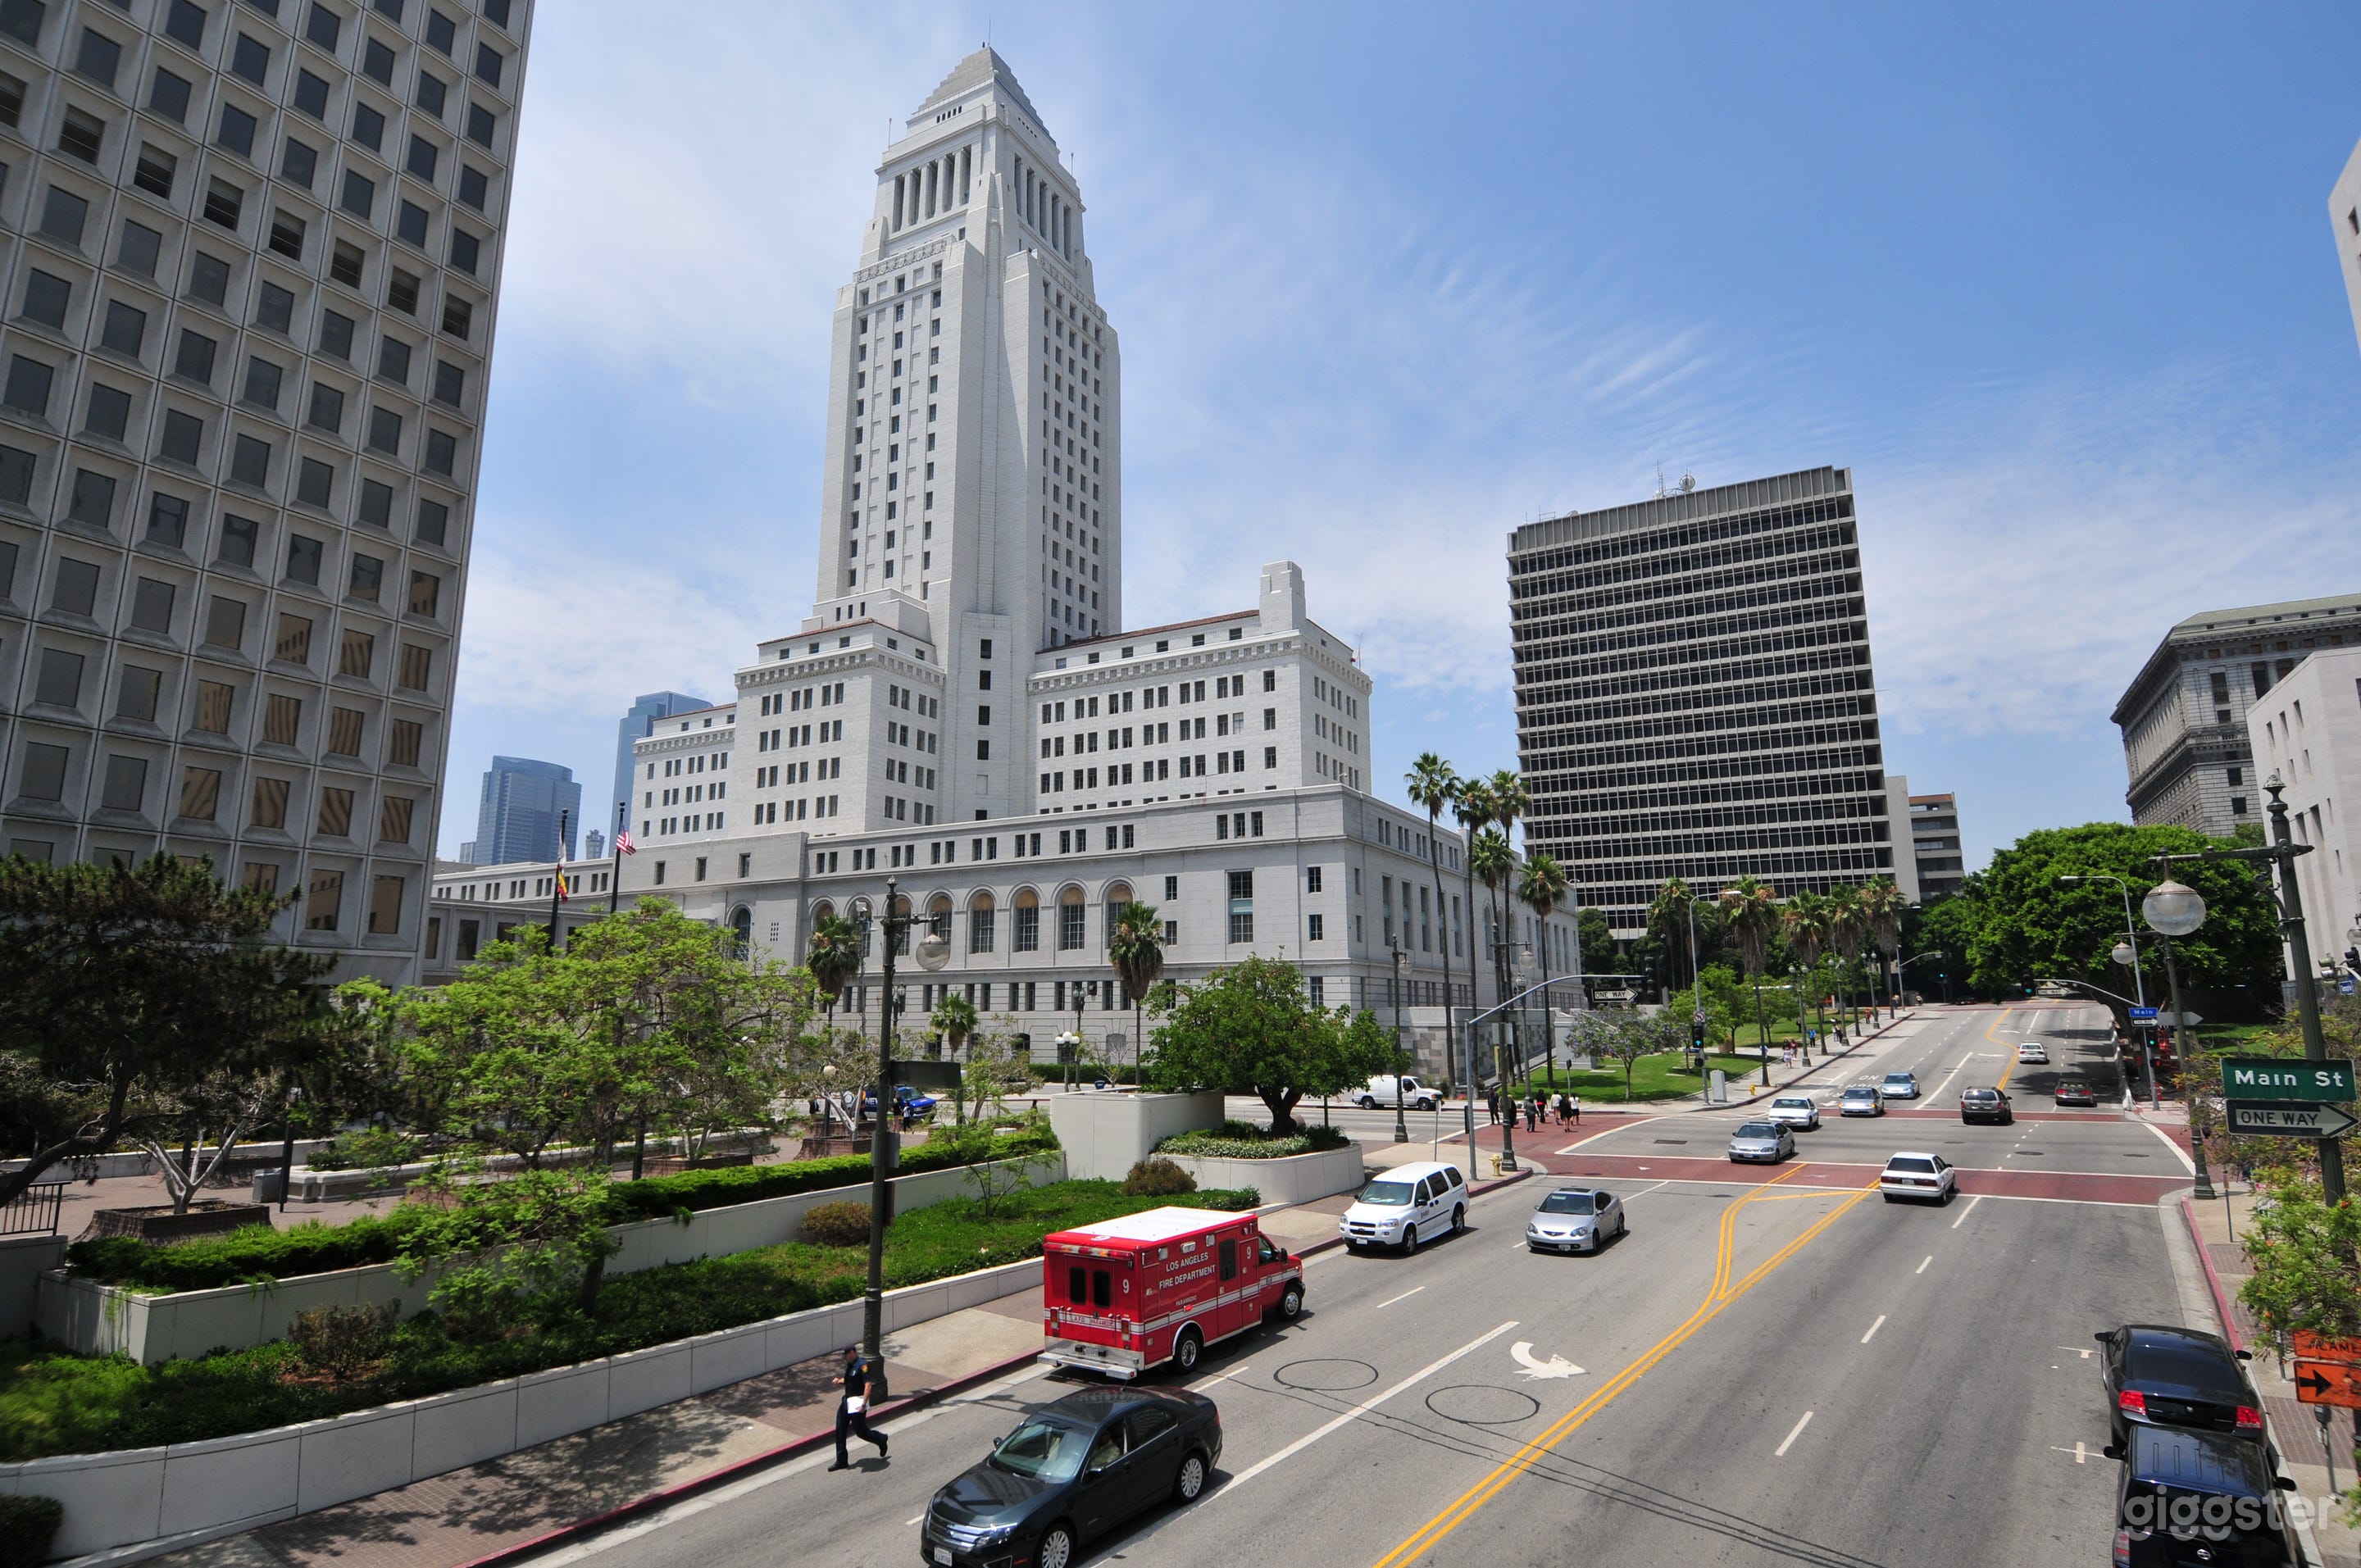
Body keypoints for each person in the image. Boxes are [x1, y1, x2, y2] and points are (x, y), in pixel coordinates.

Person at [830, 1344, 888, 1470]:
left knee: (861, 1432)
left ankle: (881, 1439)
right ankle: (842, 1460)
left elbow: (868, 1385)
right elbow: (849, 1380)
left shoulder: (863, 1365)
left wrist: (863, 1405)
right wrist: (839, 1380)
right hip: (847, 1402)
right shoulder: (850, 1365)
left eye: (846, 1355)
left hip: (858, 1404)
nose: (844, 1358)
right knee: (840, 1430)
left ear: (852, 1352)